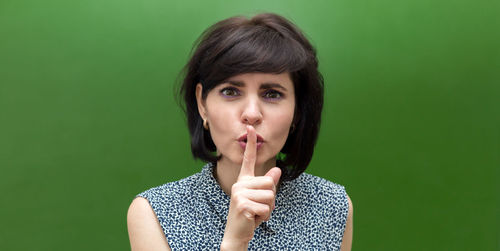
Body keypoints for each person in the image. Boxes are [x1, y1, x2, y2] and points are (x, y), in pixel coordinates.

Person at [127, 13, 353, 251]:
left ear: (297, 111)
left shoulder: (332, 206)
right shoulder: (156, 212)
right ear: (202, 103)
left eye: (272, 94)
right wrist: (235, 242)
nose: (252, 113)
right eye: (231, 91)